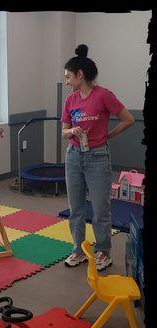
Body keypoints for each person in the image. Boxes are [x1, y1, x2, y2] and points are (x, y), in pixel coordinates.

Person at [61, 44, 135, 271]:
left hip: (98, 157)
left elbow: (128, 118)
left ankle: (103, 252)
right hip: (74, 156)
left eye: (68, 76)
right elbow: (64, 131)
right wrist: (72, 131)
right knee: (76, 209)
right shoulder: (70, 100)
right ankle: (78, 250)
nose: (66, 81)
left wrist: (108, 135)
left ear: (79, 75)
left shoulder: (103, 95)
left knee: (101, 209)